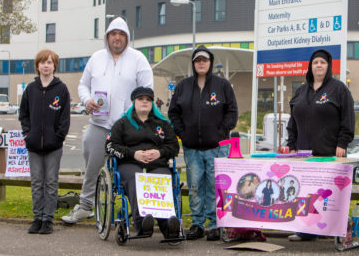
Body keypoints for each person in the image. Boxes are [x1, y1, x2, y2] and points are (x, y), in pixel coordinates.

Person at [62, 17, 153, 224]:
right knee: (92, 161)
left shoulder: (138, 59)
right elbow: (83, 85)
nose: (117, 38)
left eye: (121, 34)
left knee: (131, 168)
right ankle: (86, 206)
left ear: (126, 37)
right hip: (99, 123)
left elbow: (147, 90)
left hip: (129, 127)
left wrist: (134, 112)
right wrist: (87, 101)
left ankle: (137, 213)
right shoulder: (96, 58)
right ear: (107, 37)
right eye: (113, 34)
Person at [168, 45, 238, 241]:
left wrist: (222, 131)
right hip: (192, 149)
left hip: (218, 147)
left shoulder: (222, 85)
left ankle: (215, 225)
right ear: (193, 63)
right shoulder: (183, 86)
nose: (201, 63)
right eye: (198, 60)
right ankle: (197, 224)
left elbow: (232, 112)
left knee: (216, 187)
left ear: (210, 63)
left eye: (204, 60)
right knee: (195, 186)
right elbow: (173, 112)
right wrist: (182, 133)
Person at [285, 48, 355, 241]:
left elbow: (348, 118)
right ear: (310, 66)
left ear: (328, 66)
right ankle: (306, 231)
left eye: (322, 62)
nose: (319, 65)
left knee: (330, 196)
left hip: (330, 152)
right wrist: (291, 144)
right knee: (306, 194)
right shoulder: (301, 91)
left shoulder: (338, 89)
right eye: (315, 62)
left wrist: (343, 142)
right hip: (304, 154)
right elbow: (293, 122)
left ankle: (335, 230)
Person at [105, 87, 180, 239]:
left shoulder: (163, 124)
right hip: (130, 162)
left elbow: (174, 146)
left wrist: (159, 152)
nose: (144, 102)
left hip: (157, 163)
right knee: (136, 179)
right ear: (134, 102)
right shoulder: (122, 123)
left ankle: (169, 227)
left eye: (148, 100)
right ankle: (142, 222)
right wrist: (134, 154)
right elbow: (110, 146)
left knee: (161, 180)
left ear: (152, 103)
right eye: (141, 99)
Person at [19, 49, 70, 235]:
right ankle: (37, 217)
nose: (46, 66)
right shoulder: (31, 89)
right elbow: (23, 113)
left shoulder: (61, 89)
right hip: (33, 146)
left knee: (50, 182)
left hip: (53, 147)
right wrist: (28, 134)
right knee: (36, 182)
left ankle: (48, 219)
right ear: (37, 66)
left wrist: (58, 137)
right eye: (43, 62)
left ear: (54, 66)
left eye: (50, 62)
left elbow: (65, 118)